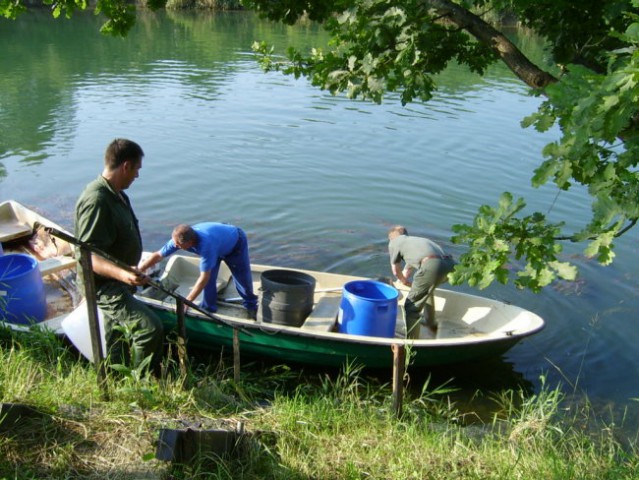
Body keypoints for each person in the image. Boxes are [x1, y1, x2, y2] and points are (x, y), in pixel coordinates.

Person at [75, 138, 164, 371]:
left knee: (116, 334)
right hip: (104, 285)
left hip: (119, 279)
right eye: (137, 170)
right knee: (149, 328)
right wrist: (124, 275)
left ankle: (115, 378)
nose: (137, 176)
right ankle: (141, 383)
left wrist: (129, 271)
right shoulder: (97, 199)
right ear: (126, 166)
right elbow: (88, 255)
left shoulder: (118, 194)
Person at [138, 222, 259, 318]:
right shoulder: (178, 239)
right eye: (175, 243)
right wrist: (140, 269)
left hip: (235, 244)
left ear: (190, 243)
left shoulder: (206, 246)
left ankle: (251, 305)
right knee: (210, 279)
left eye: (179, 246)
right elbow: (158, 255)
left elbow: (203, 278)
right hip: (217, 241)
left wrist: (187, 301)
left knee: (241, 278)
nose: (176, 247)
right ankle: (209, 307)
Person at [387, 225, 455, 339]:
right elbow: (408, 269)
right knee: (427, 289)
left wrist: (403, 281)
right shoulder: (416, 242)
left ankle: (411, 343)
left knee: (411, 307)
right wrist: (405, 279)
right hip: (450, 265)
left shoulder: (394, 242)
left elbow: (395, 270)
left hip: (432, 266)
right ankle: (430, 322)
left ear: (391, 238)